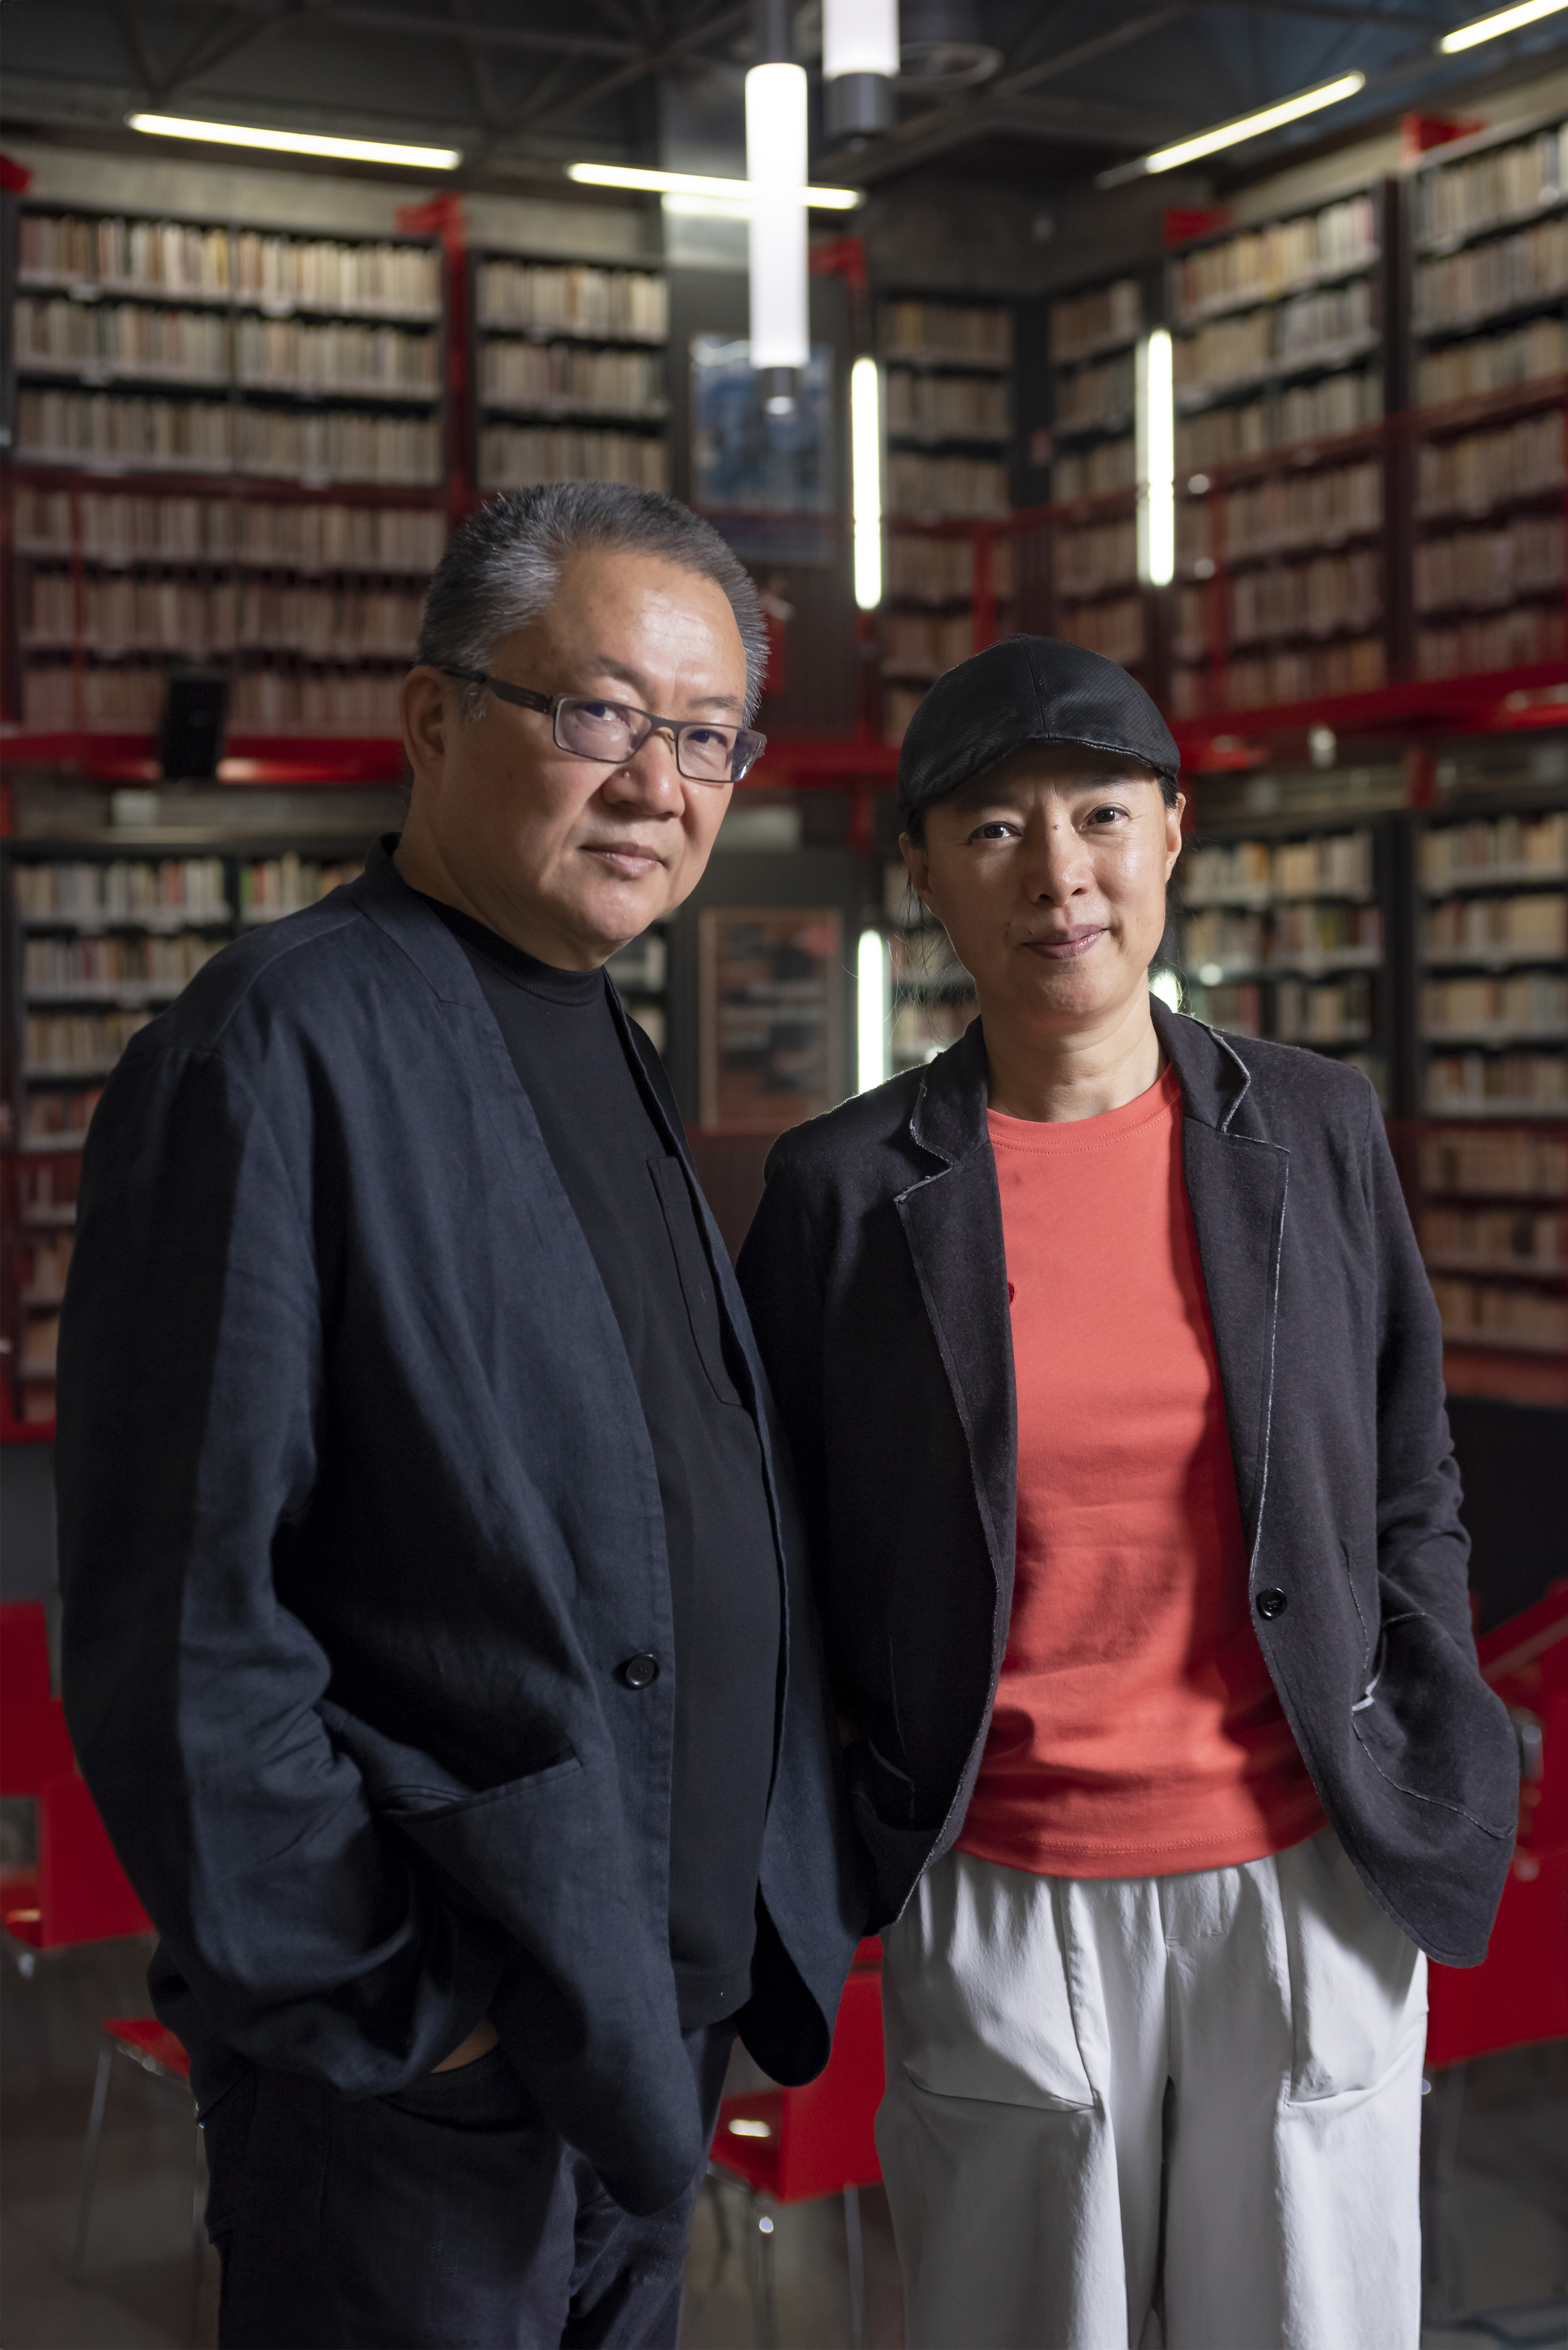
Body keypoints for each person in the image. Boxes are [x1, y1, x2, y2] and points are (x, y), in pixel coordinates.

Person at [57, 482, 868, 2350]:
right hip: (430, 2070)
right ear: (434, 721)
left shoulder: (602, 1028)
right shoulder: (272, 1049)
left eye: (705, 734)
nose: (657, 780)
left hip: (641, 2027)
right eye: (596, 712)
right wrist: (401, 2003)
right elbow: (183, 1617)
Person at [736, 635, 1519, 2350]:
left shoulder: (1309, 1127)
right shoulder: (842, 1194)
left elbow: (1408, 1462)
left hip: (1304, 1872)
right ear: (924, 870)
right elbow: (779, 1549)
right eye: (995, 829)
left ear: (1171, 830)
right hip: (1000, 1883)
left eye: (1098, 814)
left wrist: (1430, 1715)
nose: (1058, 873)